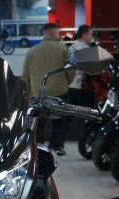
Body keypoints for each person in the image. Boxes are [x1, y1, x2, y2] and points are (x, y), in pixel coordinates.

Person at [21, 22, 74, 156]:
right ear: (53, 33)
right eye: (58, 32)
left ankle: (38, 146)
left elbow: (25, 74)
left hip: (38, 93)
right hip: (59, 91)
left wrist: (28, 92)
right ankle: (56, 146)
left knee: (39, 122)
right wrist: (66, 83)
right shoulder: (63, 49)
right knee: (59, 121)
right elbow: (71, 70)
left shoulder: (32, 51)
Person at [63, 25, 95, 141]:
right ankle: (89, 139)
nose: (91, 37)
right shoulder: (86, 49)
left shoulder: (71, 47)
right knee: (91, 114)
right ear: (84, 34)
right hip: (83, 87)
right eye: (90, 34)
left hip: (71, 86)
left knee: (67, 116)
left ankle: (58, 143)